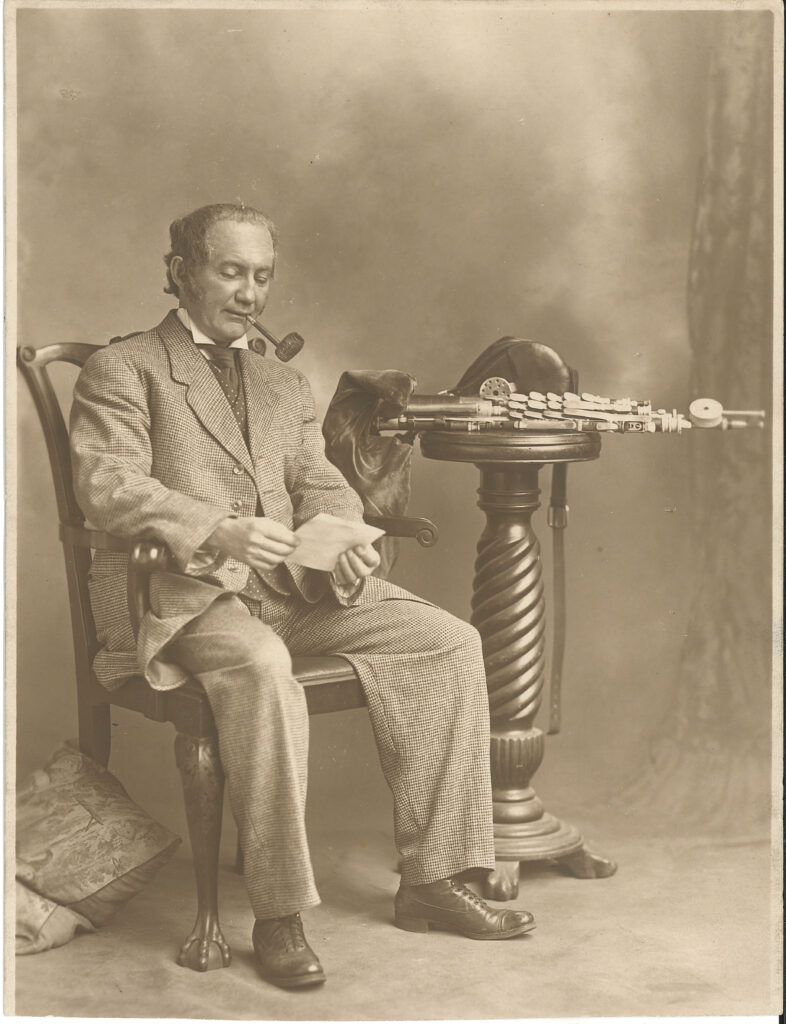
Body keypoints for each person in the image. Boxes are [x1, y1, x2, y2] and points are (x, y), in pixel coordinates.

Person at [69, 203, 535, 990]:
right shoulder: (125, 368)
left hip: (290, 590)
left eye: (262, 276)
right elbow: (107, 484)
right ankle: (278, 913)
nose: (250, 292)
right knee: (261, 664)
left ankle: (436, 877)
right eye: (230, 271)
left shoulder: (281, 382)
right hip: (182, 594)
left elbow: (318, 481)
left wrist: (346, 536)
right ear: (181, 272)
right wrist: (218, 531)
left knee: (449, 641)